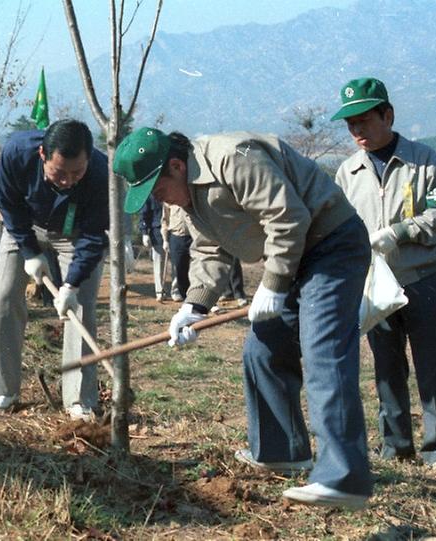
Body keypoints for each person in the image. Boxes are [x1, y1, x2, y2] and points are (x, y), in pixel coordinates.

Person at [115, 127, 373, 510]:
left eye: (157, 188)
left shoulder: (234, 158)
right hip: (293, 257)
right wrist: (194, 307)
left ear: (176, 165)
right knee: (262, 351)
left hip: (331, 244)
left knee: (322, 351)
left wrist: (273, 284)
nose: (158, 198)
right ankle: (281, 452)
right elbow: (210, 247)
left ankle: (344, 477)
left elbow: (288, 218)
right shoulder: (189, 198)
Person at [331, 77, 436, 467]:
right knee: (387, 368)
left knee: (433, 368)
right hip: (375, 285)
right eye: (350, 124)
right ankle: (396, 446)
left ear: (387, 115)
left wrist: (400, 232)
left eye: (364, 120)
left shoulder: (425, 161)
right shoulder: (347, 173)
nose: (357, 131)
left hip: (423, 279)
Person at [0, 119, 109, 420]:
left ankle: (79, 398)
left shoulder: (101, 173)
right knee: (4, 297)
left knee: (81, 308)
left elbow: (93, 237)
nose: (68, 181)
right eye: (59, 173)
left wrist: (71, 286)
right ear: (42, 155)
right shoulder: (15, 153)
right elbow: (8, 205)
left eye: (77, 172)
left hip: (74, 234)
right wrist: (29, 250)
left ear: (89, 159)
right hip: (24, 227)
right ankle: (3, 389)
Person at [139, 194, 167, 301]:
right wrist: (144, 232)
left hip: (174, 230)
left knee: (177, 263)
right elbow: (144, 214)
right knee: (159, 262)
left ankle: (176, 290)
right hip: (157, 232)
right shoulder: (150, 195)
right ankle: (160, 290)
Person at [161, 202, 192, 302]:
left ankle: (203, 299)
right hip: (177, 237)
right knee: (180, 269)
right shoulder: (168, 200)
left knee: (197, 269)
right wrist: (165, 240)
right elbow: (165, 220)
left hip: (194, 236)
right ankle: (186, 299)